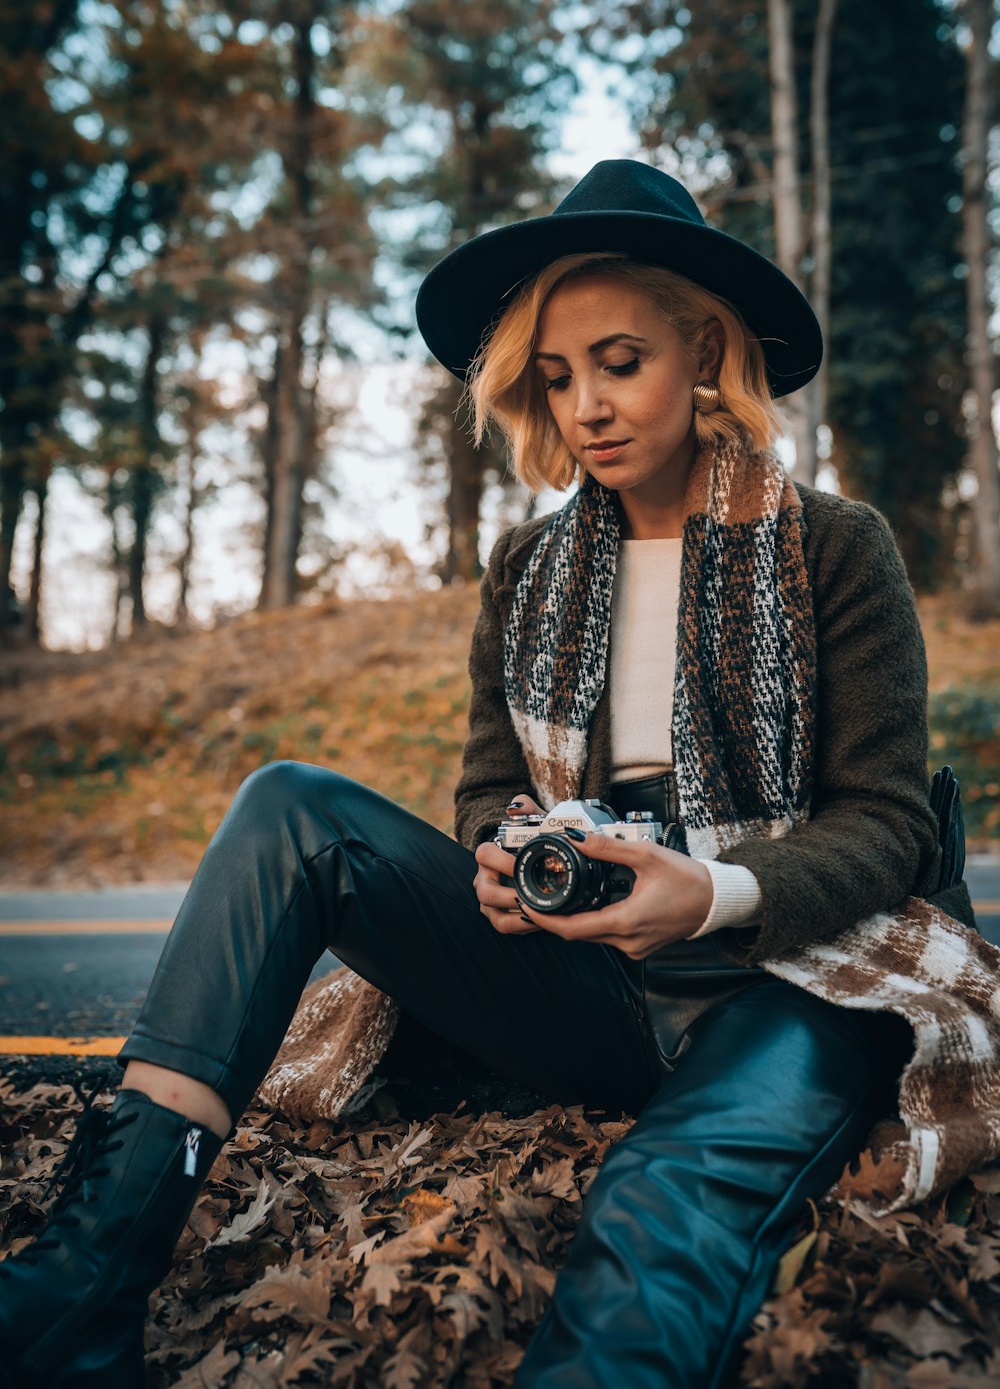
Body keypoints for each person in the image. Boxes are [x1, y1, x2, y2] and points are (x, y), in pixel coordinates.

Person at [0, 159, 964, 1389]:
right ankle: (74, 1297)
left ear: (707, 352)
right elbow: (484, 786)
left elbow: (885, 826)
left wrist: (709, 891)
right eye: (556, 378)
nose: (585, 409)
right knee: (290, 808)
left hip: (790, 976)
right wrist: (504, 859)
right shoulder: (528, 569)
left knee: (662, 1194)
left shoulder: (837, 547)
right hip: (588, 973)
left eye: (620, 361)